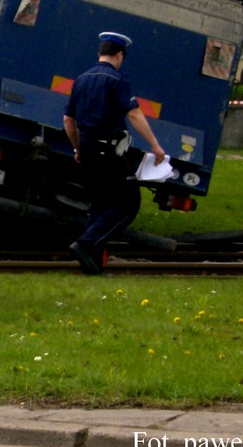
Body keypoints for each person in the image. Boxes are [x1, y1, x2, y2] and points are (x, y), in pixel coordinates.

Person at [63, 31, 166, 275]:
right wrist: (155, 145)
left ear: (100, 53)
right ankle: (86, 244)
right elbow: (133, 113)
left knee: (98, 204)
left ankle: (92, 265)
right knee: (127, 203)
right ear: (119, 55)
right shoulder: (117, 80)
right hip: (108, 148)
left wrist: (78, 148)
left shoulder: (81, 79)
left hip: (87, 146)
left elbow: (68, 120)